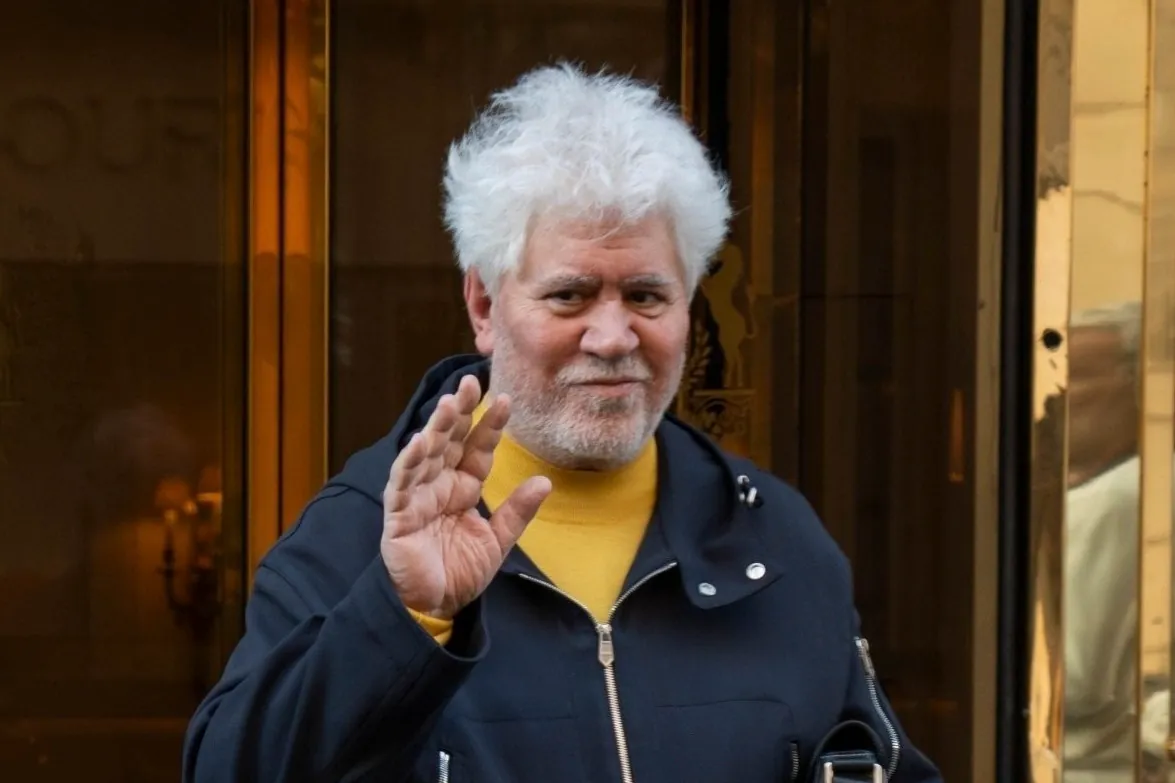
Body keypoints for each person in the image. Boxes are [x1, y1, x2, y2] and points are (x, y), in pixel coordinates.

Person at [182, 63, 942, 783]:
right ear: (484, 305)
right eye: (569, 296)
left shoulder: (774, 540)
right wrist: (405, 617)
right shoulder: (358, 536)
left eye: (646, 296)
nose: (612, 337)